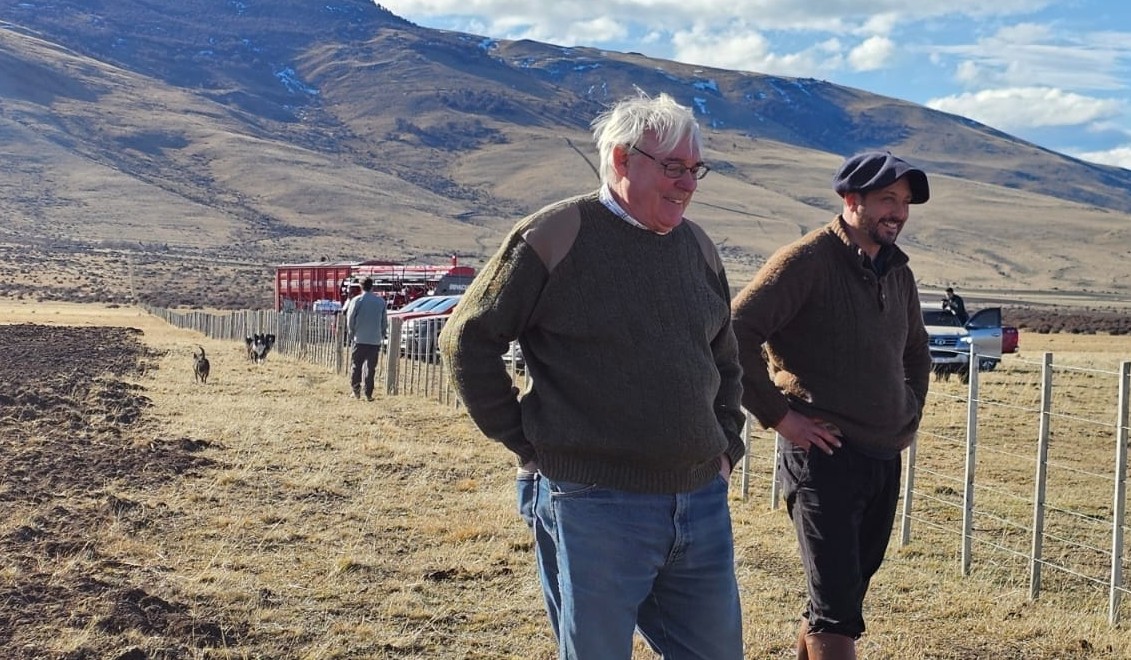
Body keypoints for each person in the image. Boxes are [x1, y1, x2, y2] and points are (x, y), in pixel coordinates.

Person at [438, 92, 746, 659]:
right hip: (591, 500)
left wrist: (726, 446)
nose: (687, 183)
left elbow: (724, 358)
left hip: (699, 498)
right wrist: (527, 441)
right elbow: (467, 338)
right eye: (672, 167)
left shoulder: (698, 247)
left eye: (694, 169)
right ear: (623, 159)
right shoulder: (555, 236)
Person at [730, 151, 933, 660]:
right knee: (836, 613)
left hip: (882, 457)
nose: (899, 212)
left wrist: (908, 412)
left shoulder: (897, 271)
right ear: (851, 199)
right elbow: (733, 333)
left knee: (837, 600)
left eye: (905, 202)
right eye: (887, 199)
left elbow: (916, 351)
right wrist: (781, 417)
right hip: (823, 458)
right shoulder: (807, 261)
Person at [345, 277, 387, 401]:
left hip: (360, 338)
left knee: (356, 365)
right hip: (374, 340)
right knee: (371, 368)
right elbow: (384, 321)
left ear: (361, 286)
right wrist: (381, 333)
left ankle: (356, 390)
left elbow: (350, 318)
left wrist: (352, 333)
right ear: (372, 286)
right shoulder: (380, 302)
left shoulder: (357, 300)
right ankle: (368, 393)